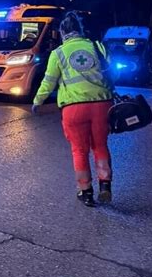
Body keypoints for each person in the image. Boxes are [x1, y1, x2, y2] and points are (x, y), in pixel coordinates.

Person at [32, 12, 114, 207]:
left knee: (79, 150)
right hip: (102, 105)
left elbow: (49, 81)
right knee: (100, 146)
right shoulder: (97, 46)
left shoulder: (58, 53)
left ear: (62, 32)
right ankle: (105, 185)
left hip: (74, 108)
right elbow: (112, 72)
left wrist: (38, 100)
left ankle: (86, 192)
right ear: (80, 29)